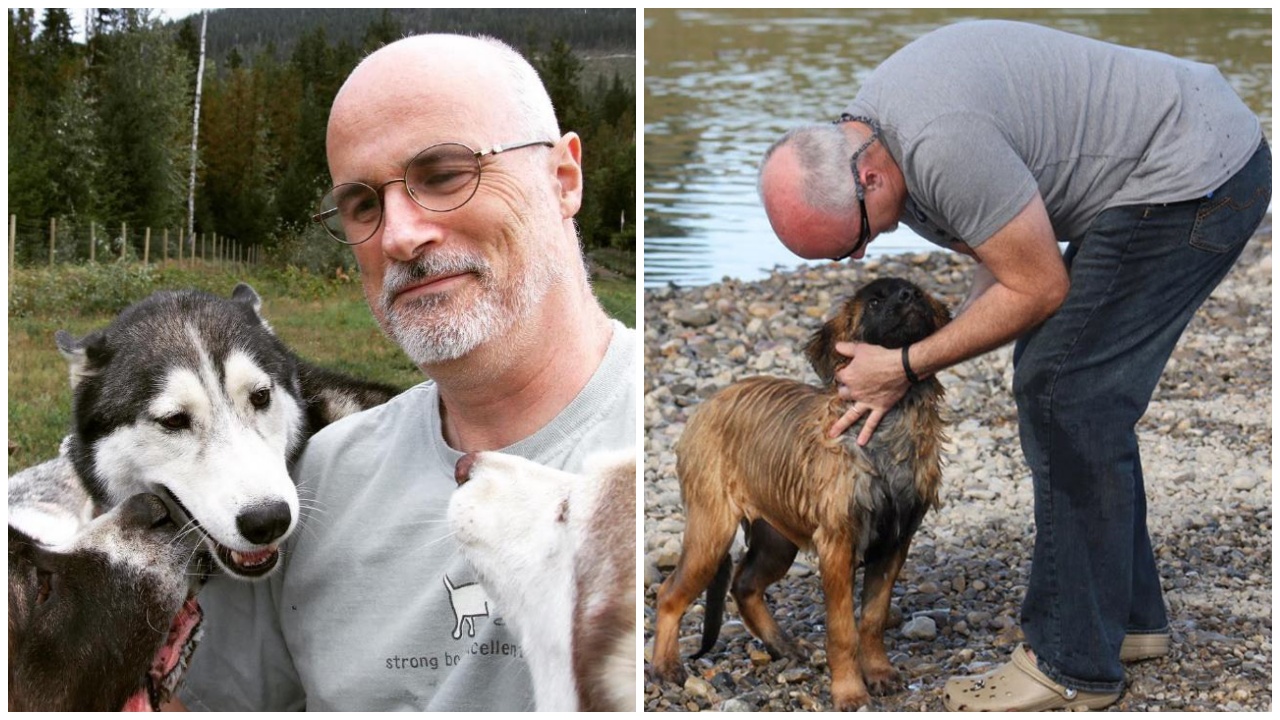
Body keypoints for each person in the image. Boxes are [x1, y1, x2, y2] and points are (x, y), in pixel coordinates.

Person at [758, 20, 1268, 712]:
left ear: (867, 175)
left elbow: (1040, 285)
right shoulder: (879, 143)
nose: (859, 259)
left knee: (1066, 392)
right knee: (1065, 381)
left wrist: (906, 364)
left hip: (1197, 174)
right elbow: (1004, 266)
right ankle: (1129, 621)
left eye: (854, 239)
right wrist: (919, 357)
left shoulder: (940, 146)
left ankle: (1070, 663)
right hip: (1165, 164)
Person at [175, 34, 636, 711]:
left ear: (563, 179)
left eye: (445, 174)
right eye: (362, 204)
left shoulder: (650, 439)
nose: (399, 235)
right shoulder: (312, 483)